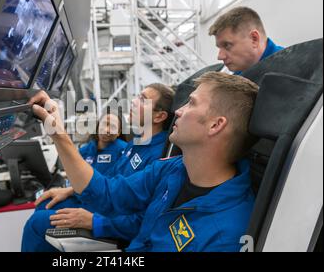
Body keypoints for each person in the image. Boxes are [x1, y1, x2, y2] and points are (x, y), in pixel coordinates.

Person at [27, 71, 259, 251]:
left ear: (216, 125)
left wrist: (96, 222)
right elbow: (110, 193)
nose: (178, 111)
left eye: (191, 103)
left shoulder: (227, 233)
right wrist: (57, 131)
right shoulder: (172, 169)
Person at [22, 84, 175, 252]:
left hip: (113, 221)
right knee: (44, 204)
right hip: (106, 205)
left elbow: (146, 219)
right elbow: (111, 179)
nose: (133, 101)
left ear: (159, 116)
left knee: (36, 224)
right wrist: (71, 190)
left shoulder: (159, 157)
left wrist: (94, 221)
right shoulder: (136, 143)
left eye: (142, 100)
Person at [209, 6, 284, 75]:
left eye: (227, 45)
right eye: (219, 47)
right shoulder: (240, 72)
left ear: (254, 39)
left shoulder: (289, 70)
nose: (220, 56)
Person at [78, 112, 127, 176]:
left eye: (112, 127)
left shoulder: (125, 151)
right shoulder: (84, 151)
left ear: (119, 132)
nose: (106, 129)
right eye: (104, 124)